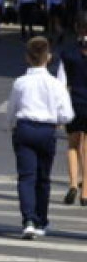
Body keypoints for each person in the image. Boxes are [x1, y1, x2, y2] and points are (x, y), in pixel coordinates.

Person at [9, 36, 74, 240]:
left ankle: (27, 219)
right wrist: (57, 120)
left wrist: (13, 126)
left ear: (27, 57)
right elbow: (67, 114)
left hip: (25, 128)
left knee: (26, 177)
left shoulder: (20, 82)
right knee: (43, 178)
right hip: (47, 130)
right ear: (48, 58)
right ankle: (41, 220)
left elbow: (12, 110)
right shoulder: (55, 84)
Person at [57, 15, 87, 206]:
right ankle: (86, 193)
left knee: (73, 145)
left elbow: (61, 83)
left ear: (78, 28)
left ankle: (73, 184)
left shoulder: (68, 52)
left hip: (74, 102)